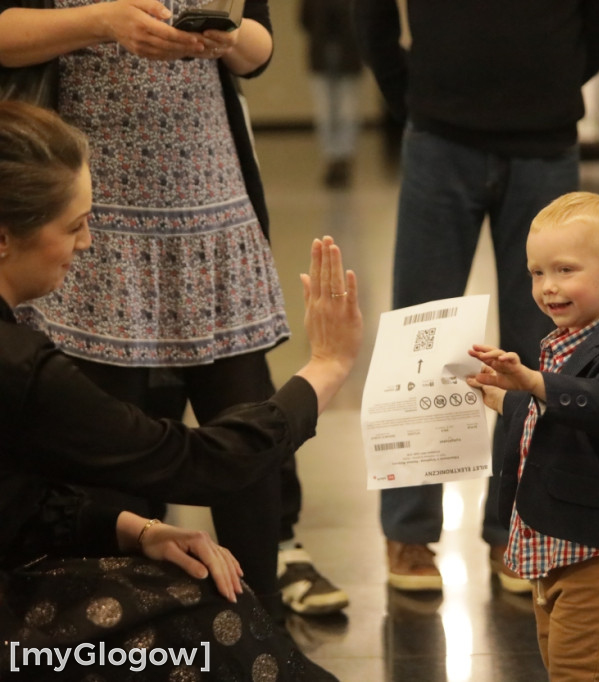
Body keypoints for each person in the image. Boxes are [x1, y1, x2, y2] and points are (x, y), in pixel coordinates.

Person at [0, 0, 348, 618]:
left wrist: (228, 38)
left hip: (208, 196)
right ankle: (108, 615)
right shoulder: (73, 237)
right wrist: (101, 22)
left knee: (242, 417)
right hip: (89, 195)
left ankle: (260, 612)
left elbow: (260, 46)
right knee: (106, 445)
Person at [353, 0, 599, 593]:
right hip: (440, 133)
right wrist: (412, 92)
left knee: (540, 342)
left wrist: (547, 82)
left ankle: (518, 526)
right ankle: (409, 529)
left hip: (544, 141)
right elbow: (370, 12)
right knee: (423, 335)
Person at [466, 191, 599, 681]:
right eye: (537, 273)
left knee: (582, 673)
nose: (547, 287)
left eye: (565, 270)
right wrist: (502, 397)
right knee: (563, 668)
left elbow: (597, 405)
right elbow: (552, 415)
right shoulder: (564, 346)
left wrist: (534, 382)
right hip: (558, 547)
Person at [300, 0, 363, 188]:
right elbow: (305, 20)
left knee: (347, 111)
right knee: (325, 113)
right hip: (321, 56)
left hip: (349, 57)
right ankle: (331, 158)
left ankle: (344, 157)